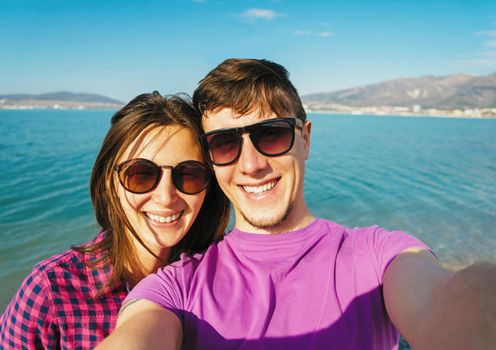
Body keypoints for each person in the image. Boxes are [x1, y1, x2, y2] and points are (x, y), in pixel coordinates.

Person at [97, 59, 496, 349]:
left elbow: (444, 301)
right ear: (212, 160)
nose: (251, 164)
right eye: (225, 143)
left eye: (270, 135)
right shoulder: (176, 287)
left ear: (305, 139)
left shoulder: (379, 256)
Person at [0, 91, 230, 349]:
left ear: (208, 188)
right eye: (141, 174)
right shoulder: (51, 291)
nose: (166, 197)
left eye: (189, 175)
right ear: (110, 183)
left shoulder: (223, 280)